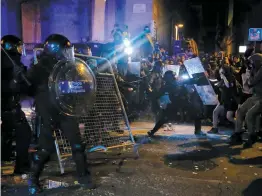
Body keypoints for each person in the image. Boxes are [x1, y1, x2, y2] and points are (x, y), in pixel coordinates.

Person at [19, 34, 96, 194]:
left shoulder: (68, 66)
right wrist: (20, 79)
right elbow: (28, 90)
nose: (68, 53)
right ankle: (33, 179)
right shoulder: (39, 68)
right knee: (45, 149)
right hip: (48, 112)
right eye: (65, 49)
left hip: (66, 111)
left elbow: (78, 86)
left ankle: (83, 177)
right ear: (54, 49)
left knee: (77, 145)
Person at [1, 35, 32, 174]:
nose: (21, 49)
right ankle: (22, 167)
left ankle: (5, 156)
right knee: (24, 133)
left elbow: (25, 87)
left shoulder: (15, 63)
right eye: (19, 46)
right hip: (7, 105)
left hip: (10, 105)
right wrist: (13, 82)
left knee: (7, 132)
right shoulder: (5, 63)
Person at [230, 53, 262, 146]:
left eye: (252, 63)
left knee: (249, 115)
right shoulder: (256, 70)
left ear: (257, 62)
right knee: (240, 111)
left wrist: (250, 73)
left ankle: (252, 136)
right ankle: (238, 133)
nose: (251, 64)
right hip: (256, 96)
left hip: (261, 97)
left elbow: (251, 82)